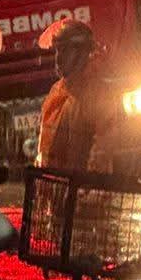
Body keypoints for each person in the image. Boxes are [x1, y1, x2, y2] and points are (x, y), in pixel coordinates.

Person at [36, 18, 112, 171]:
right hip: (56, 189)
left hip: (83, 190)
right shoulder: (57, 90)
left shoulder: (97, 93)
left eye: (64, 50)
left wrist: (86, 189)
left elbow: (102, 151)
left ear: (82, 53)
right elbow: (45, 147)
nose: (58, 57)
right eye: (57, 50)